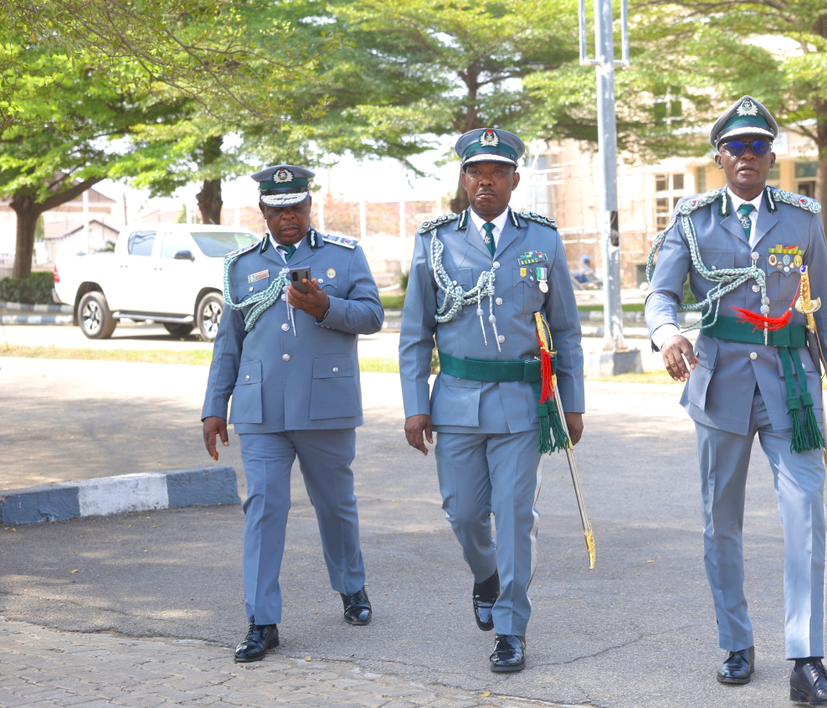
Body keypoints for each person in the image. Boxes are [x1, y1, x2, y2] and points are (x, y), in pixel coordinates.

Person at [645, 96, 827, 706]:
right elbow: (660, 296)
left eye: (759, 146)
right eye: (736, 147)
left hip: (793, 382)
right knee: (722, 519)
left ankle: (807, 659)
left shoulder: (800, 218)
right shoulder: (692, 220)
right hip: (719, 384)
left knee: (807, 515)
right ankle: (736, 641)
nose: (748, 156)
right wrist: (668, 336)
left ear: (771, 157)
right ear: (719, 158)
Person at [398, 128, 585, 673]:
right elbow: (415, 333)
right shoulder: (434, 242)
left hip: (523, 403)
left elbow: (566, 330)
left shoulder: (542, 240)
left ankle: (511, 629)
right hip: (454, 399)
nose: (487, 180)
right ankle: (487, 577)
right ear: (463, 179)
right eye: (477, 172)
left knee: (514, 514)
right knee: (463, 512)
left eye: (498, 172)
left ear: (515, 180)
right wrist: (415, 403)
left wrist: (571, 402)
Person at [201, 164, 384, 663]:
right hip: (260, 409)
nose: (289, 218)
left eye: (297, 208)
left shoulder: (343, 257)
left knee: (336, 505)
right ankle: (262, 620)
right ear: (263, 212)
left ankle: (351, 587)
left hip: (326, 406)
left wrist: (326, 307)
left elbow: (372, 315)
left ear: (310, 208)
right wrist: (214, 407)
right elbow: (229, 342)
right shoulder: (241, 266)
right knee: (264, 508)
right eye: (278, 210)